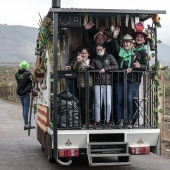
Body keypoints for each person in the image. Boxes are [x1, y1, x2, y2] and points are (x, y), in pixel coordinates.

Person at [111, 27, 141, 128]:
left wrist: (132, 68)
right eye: (124, 42)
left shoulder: (136, 53)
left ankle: (128, 120)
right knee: (118, 100)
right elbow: (114, 46)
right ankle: (119, 120)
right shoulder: (119, 51)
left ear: (131, 43)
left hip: (130, 80)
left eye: (127, 42)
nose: (125, 44)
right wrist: (115, 36)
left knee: (128, 100)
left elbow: (139, 65)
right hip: (119, 79)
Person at [89, 43, 119, 126]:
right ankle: (97, 121)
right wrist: (89, 67)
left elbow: (116, 66)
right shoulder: (94, 59)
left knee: (108, 103)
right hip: (97, 82)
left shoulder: (109, 56)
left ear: (104, 49)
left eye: (100, 49)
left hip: (108, 82)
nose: (99, 51)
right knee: (98, 103)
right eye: (97, 50)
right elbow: (92, 70)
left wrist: (105, 69)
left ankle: (107, 120)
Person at [132, 22, 150, 126]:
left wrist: (140, 66)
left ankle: (134, 120)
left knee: (133, 99)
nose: (139, 38)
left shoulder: (144, 51)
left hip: (136, 79)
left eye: (141, 37)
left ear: (143, 40)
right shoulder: (132, 48)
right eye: (137, 36)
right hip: (128, 78)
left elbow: (146, 66)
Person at [73, 47, 93, 127]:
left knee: (90, 104)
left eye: (85, 53)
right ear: (80, 54)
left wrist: (89, 67)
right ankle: (84, 122)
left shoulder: (91, 61)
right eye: (83, 53)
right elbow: (75, 69)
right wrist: (78, 62)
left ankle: (90, 121)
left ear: (88, 54)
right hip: (82, 85)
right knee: (83, 104)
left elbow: (94, 68)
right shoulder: (79, 61)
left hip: (90, 85)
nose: (84, 55)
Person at [15, 61, 32, 130]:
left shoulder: (17, 74)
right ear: (26, 67)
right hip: (25, 93)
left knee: (24, 109)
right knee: (26, 109)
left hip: (19, 93)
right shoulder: (28, 74)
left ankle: (25, 123)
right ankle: (26, 124)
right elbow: (31, 80)